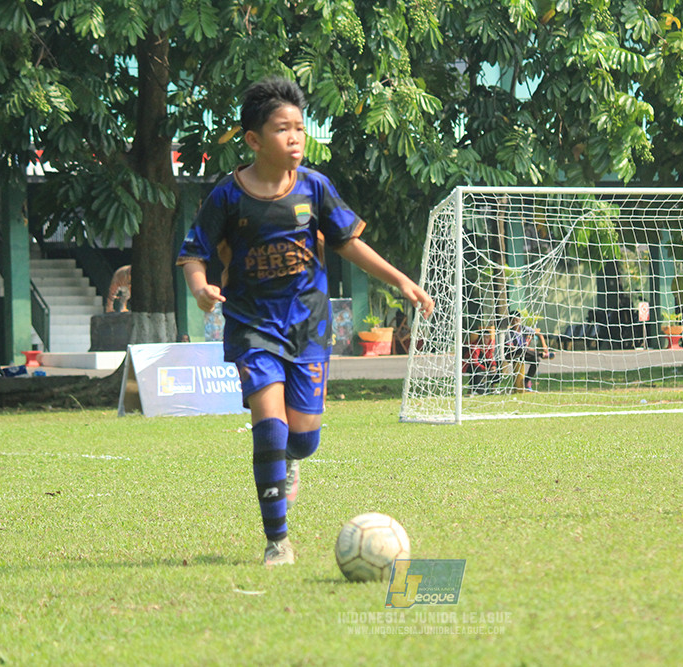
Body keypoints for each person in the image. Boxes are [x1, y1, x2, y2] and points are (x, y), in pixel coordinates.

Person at [176, 76, 434, 567]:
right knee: (269, 428)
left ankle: (293, 463)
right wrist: (199, 286)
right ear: (254, 140)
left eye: (300, 128)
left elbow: (348, 242)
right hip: (253, 326)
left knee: (303, 438)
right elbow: (193, 253)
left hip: (309, 328)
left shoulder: (315, 188)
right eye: (282, 129)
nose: (295, 137)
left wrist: (402, 280)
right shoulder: (227, 197)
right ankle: (278, 541)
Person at [503, 311, 551, 391]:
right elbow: (510, 347)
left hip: (523, 353)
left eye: (517, 320)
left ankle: (527, 380)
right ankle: (540, 354)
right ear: (510, 321)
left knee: (536, 360)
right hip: (512, 354)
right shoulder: (509, 332)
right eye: (513, 320)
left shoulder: (524, 329)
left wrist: (544, 345)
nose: (515, 322)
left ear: (520, 320)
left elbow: (539, 334)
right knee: (521, 349)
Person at [463, 324, 497, 395]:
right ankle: (474, 388)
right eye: (484, 337)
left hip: (483, 365)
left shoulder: (488, 347)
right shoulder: (476, 346)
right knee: (477, 369)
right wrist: (485, 368)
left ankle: (493, 386)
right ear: (480, 338)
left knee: (497, 366)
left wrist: (493, 366)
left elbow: (491, 358)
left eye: (487, 337)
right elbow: (474, 362)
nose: (486, 339)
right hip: (472, 366)